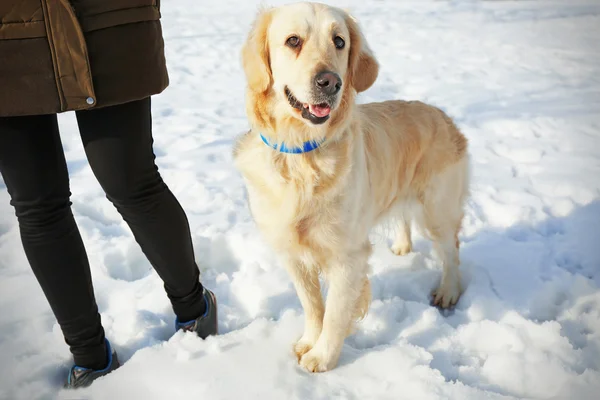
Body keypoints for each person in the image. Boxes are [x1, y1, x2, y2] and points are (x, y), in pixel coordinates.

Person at [0, 0, 218, 388]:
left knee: (128, 184)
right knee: (41, 205)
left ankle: (191, 311)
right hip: (18, 31)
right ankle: (91, 355)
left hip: (100, 17)